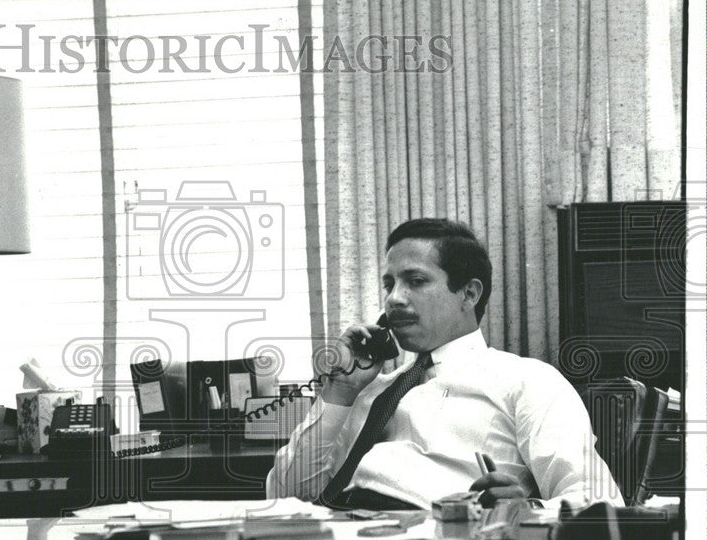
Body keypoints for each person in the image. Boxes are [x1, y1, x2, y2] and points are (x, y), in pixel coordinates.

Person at [266, 218, 623, 511]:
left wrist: (527, 512)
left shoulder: (529, 381)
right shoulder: (370, 390)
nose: (393, 299)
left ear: (469, 294)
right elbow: (286, 499)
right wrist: (339, 394)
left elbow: (599, 501)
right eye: (389, 284)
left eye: (415, 281)